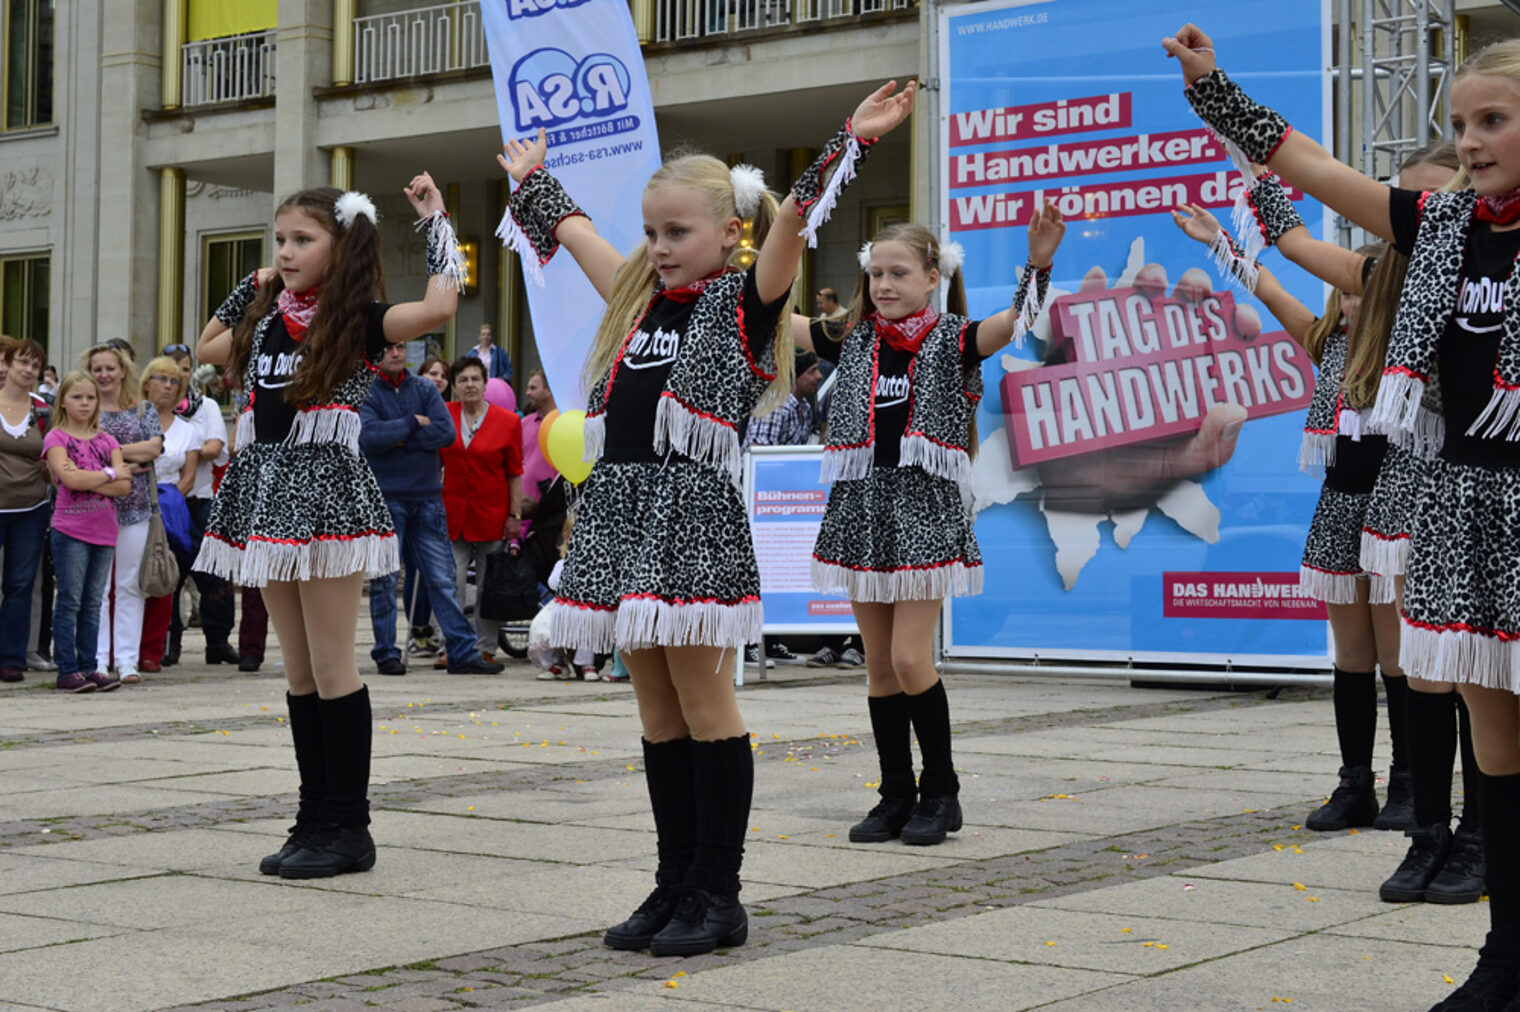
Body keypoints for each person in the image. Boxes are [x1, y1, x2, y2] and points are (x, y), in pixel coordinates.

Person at [497, 78, 915, 955]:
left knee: (703, 699)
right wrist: (534, 183)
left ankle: (719, 894)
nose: (659, 247)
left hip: (691, 516)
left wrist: (855, 137)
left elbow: (796, 220)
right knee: (654, 708)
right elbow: (577, 239)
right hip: (622, 516)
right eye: (652, 232)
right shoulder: (638, 300)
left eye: (677, 231)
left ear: (730, 232)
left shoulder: (745, 302)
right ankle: (672, 882)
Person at [1166, 28, 1520, 1007]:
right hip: (1456, 502)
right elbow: (1309, 169)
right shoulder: (1441, 228)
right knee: (1495, 741)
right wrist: (1213, 90)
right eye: (1460, 123)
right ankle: (1504, 956)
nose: (1473, 139)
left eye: (1493, 119)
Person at [194, 174, 462, 880]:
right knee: (301, 671)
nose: (285, 251)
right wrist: (252, 283)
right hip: (267, 491)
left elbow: (439, 304)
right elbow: (207, 344)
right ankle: (314, 816)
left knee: (335, 666)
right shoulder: (264, 322)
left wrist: (434, 220)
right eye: (279, 240)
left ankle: (349, 824)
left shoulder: (360, 320)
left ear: (339, 249)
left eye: (302, 240)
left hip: (327, 493)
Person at [796, 207, 1063, 848]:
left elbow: (1017, 321)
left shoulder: (954, 337)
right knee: (880, 667)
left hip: (922, 510)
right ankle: (895, 793)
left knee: (912, 657)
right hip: (861, 507)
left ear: (932, 275)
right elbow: (773, 311)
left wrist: (1040, 263)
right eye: (876, 273)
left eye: (899, 273)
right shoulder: (854, 337)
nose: (885, 285)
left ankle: (941, 790)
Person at [360, 341, 503, 676]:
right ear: (375, 353)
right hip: (386, 497)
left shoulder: (424, 387)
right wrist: (413, 423)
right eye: (387, 349)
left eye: (399, 348)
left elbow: (445, 432)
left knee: (442, 578)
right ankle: (385, 652)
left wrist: (397, 438)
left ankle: (462, 651)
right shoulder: (368, 392)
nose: (394, 354)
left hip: (426, 497)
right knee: (384, 579)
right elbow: (368, 437)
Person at [43, 371, 130, 692]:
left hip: (104, 530)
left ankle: (89, 666)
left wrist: (91, 475)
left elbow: (124, 485)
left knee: (93, 601)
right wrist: (107, 472)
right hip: (70, 530)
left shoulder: (108, 441)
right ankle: (67, 669)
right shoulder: (56, 439)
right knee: (69, 600)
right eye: (77, 397)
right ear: (63, 401)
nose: (84, 403)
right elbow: (72, 481)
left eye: (90, 398)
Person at [84, 343, 162, 685]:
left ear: (123, 371)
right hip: (93, 506)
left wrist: (107, 454)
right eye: (97, 369)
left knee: (130, 584)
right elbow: (80, 451)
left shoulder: (143, 409)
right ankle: (98, 658)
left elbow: (155, 447)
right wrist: (127, 462)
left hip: (135, 507)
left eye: (109, 368)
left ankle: (127, 660)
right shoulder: (84, 408)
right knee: (97, 587)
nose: (103, 375)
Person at [438, 357, 522, 667]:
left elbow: (515, 472)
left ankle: (485, 646)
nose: (470, 385)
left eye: (475, 379)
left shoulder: (508, 421)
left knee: (490, 586)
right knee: (451, 582)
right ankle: (455, 645)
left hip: (492, 516)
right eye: (463, 380)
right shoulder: (445, 416)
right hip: (453, 516)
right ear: (455, 386)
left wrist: (514, 517)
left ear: (485, 384)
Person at [164, 344, 236, 667]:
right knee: (169, 575)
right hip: (167, 501)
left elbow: (215, 446)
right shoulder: (151, 411)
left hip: (201, 499)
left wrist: (184, 451)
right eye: (172, 369)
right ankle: (169, 642)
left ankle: (217, 641)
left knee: (214, 574)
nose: (179, 375)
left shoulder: (205, 406)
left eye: (185, 368)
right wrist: (194, 449)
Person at [136, 357, 199, 673]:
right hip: (131, 503)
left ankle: (153, 650)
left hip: (167, 510)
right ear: (146, 382)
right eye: (162, 379)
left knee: (162, 578)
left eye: (175, 382)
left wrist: (166, 503)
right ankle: (123, 647)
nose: (168, 386)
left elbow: (188, 476)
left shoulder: (187, 430)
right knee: (128, 579)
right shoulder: (131, 419)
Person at [0, 339, 52, 683]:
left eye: (35, 365)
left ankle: (12, 657)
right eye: (22, 361)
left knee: (19, 584)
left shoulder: (44, 410)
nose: (28, 369)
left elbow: (55, 455)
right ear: (8, 363)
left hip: (32, 507)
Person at [400, 354, 452, 657]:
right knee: (412, 567)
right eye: (433, 373)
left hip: (436, 494)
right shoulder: (414, 402)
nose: (439, 379)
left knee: (437, 570)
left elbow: (444, 434)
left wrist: (409, 435)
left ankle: (433, 630)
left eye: (443, 375)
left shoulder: (443, 412)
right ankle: (416, 629)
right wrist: (412, 429)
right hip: (409, 492)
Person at [744, 349, 821, 448]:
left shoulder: (805, 407)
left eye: (818, 369)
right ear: (794, 376)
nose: (819, 376)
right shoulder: (775, 407)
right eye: (812, 371)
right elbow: (759, 456)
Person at [519, 368, 559, 537]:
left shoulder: (564, 424)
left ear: (548, 391)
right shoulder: (524, 423)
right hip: (522, 513)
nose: (527, 393)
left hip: (552, 514)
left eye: (533, 388)